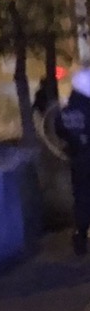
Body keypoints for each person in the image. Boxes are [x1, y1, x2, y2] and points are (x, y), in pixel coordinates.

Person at [52, 69, 90, 255]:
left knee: (81, 197)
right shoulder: (88, 108)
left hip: (77, 160)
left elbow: (59, 130)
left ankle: (80, 237)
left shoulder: (66, 111)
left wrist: (71, 145)